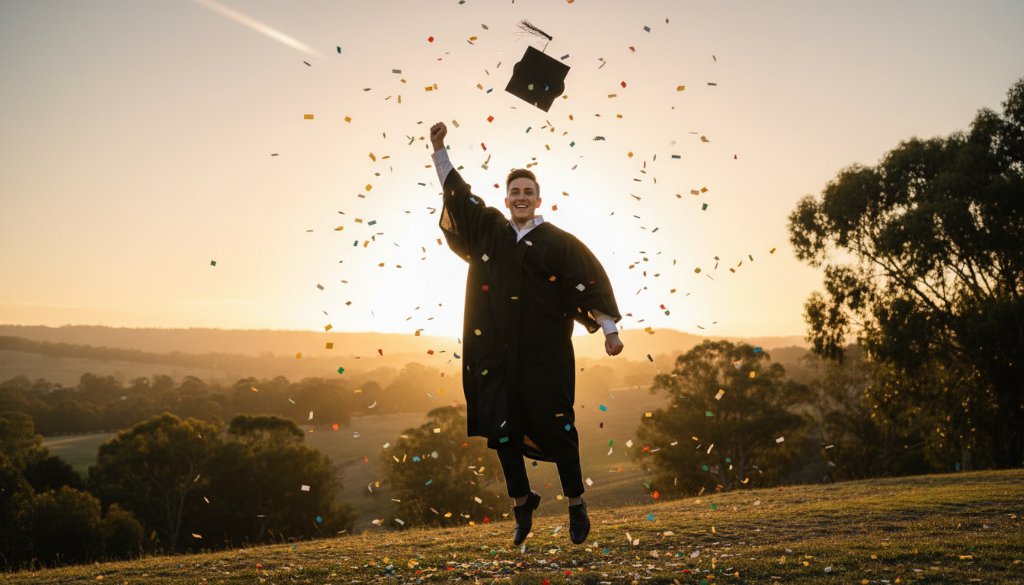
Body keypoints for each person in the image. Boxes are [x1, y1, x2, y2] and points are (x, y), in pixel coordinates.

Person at [429, 121, 624, 546]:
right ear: (506, 199)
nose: (521, 197)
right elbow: (458, 197)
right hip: (495, 353)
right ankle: (522, 501)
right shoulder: (492, 232)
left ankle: (576, 503)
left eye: (527, 192)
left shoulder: (558, 242)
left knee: (559, 428)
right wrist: (439, 150)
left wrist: (608, 329)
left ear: (538, 200)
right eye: (514, 192)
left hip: (543, 355)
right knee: (501, 430)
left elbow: (587, 282)